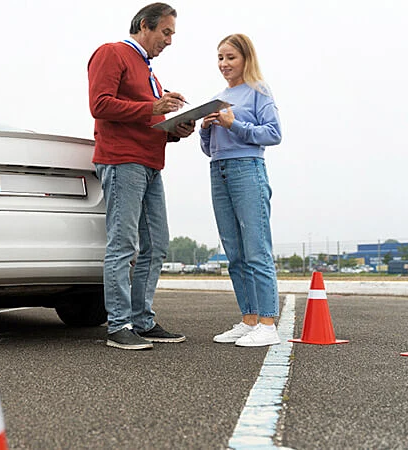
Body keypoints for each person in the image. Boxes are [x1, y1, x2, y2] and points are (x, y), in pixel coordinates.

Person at [88, 2, 195, 350]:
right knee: (123, 245)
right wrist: (154, 106)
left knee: (157, 244)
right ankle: (119, 326)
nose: (169, 41)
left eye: (172, 34)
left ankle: (141, 321)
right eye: (165, 32)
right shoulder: (112, 53)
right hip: (122, 162)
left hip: (150, 164)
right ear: (144, 26)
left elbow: (147, 119)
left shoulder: (149, 73)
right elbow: (100, 105)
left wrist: (177, 128)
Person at [199, 34, 283, 347]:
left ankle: (267, 322)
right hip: (218, 171)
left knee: (256, 249)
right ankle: (248, 319)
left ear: (246, 58)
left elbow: (273, 134)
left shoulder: (259, 91)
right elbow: (210, 150)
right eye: (220, 58)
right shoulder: (218, 96)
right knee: (234, 252)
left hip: (247, 169)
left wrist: (234, 124)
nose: (224, 64)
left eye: (230, 57)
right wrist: (205, 129)